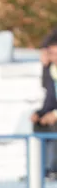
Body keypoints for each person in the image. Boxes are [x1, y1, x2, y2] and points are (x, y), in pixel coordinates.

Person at [31, 31, 57, 178]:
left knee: (54, 125)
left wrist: (54, 114)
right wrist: (40, 113)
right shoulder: (50, 71)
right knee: (39, 124)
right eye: (51, 53)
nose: (53, 57)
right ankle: (41, 168)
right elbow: (50, 99)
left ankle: (54, 169)